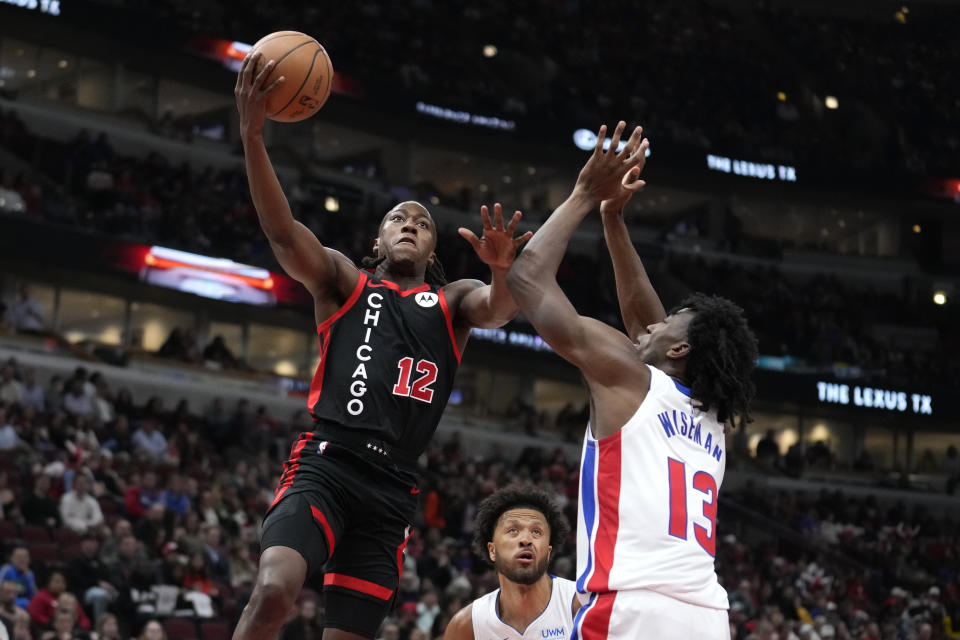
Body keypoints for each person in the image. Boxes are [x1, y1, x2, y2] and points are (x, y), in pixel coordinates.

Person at [232, 50, 532, 640]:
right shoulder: (345, 281)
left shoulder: (453, 302)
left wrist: (503, 272)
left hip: (391, 489)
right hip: (327, 461)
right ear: (380, 236)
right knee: (273, 588)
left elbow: (500, 310)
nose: (410, 224)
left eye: (422, 222)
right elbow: (282, 232)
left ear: (432, 250)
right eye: (399, 217)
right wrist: (253, 135)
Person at [506, 122, 758, 639]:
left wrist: (583, 195)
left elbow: (527, 277)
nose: (654, 323)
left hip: (631, 609)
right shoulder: (714, 417)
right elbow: (648, 328)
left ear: (681, 349)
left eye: (671, 323)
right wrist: (613, 220)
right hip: (707, 618)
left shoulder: (630, 379)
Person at [443, 487, 577, 639]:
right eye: (513, 530)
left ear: (548, 552)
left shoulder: (580, 605)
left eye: (536, 532)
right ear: (492, 550)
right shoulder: (466, 626)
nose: (526, 539)